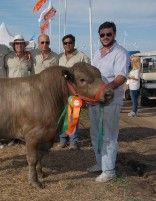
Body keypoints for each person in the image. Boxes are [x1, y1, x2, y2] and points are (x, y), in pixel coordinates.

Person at [87, 21, 129, 183]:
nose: (105, 37)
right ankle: (100, 164)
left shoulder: (120, 53)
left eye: (108, 34)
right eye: (102, 34)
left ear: (114, 34)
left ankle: (109, 171)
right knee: (95, 134)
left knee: (108, 136)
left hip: (110, 101)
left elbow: (121, 76)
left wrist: (107, 88)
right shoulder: (97, 53)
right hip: (95, 101)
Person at [58, 34, 90, 150]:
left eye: (70, 42)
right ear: (63, 45)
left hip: (75, 92)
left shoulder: (82, 57)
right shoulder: (60, 57)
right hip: (61, 91)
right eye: (65, 43)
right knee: (62, 116)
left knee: (73, 116)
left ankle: (73, 141)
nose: (68, 45)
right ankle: (62, 139)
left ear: (74, 43)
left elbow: (88, 74)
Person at [5, 34, 34, 145]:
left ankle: (22, 137)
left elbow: (31, 70)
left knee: (24, 115)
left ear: (24, 45)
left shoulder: (28, 58)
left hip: (24, 91)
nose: (19, 46)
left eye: (21, 44)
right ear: (14, 45)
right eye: (17, 44)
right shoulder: (8, 57)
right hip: (10, 90)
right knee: (11, 115)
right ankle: (12, 137)